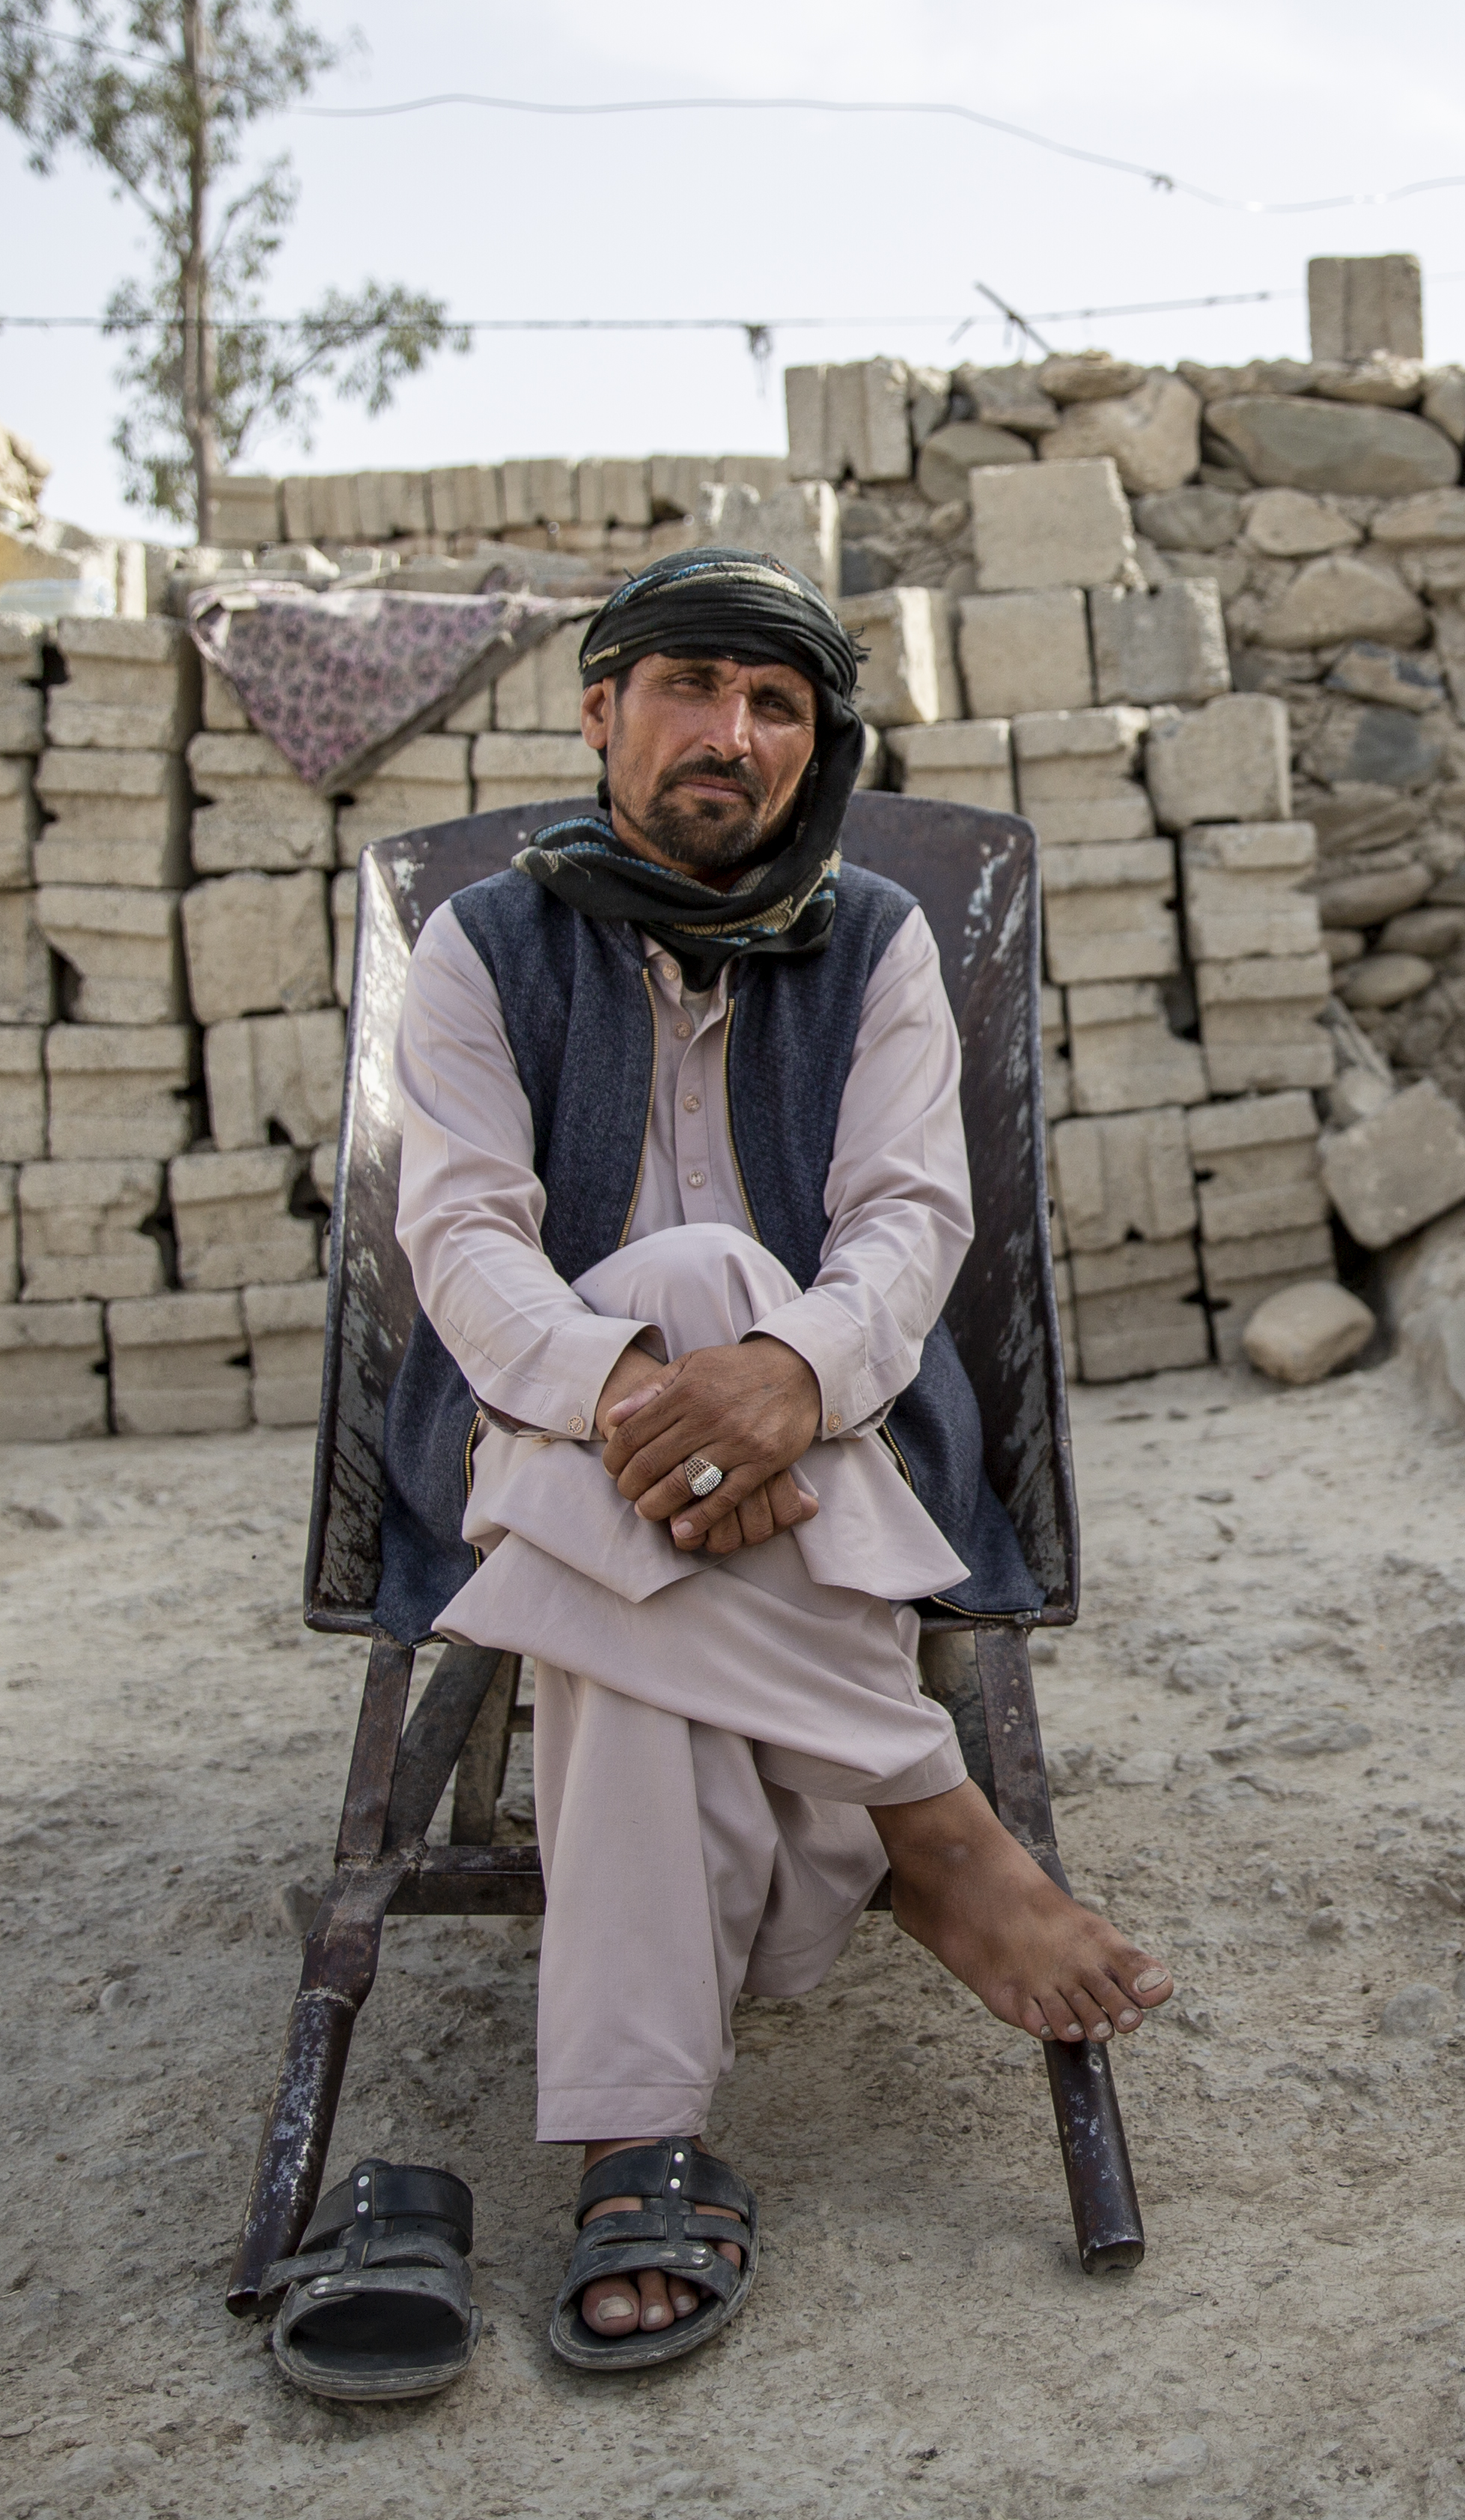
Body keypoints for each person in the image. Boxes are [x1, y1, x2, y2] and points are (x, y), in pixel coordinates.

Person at [365, 544, 1168, 2379]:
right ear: (602, 714)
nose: (728, 733)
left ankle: (635, 2137)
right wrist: (641, 1390)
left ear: (815, 747)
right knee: (678, 1288)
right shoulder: (484, 947)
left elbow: (908, 1226)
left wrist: (785, 1378)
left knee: (709, 1352)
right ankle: (918, 1809)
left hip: (839, 1435)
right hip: (533, 1430)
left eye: (775, 705)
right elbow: (467, 1242)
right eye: (687, 689)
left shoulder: (876, 941)